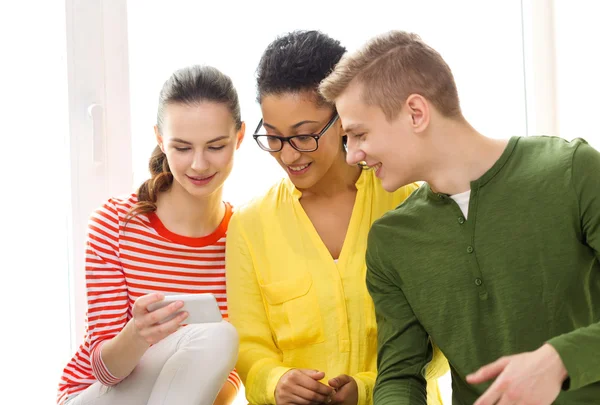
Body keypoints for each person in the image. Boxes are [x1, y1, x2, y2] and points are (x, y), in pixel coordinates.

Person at [319, 30, 600, 405]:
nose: (352, 155)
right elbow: (400, 375)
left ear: (416, 113)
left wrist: (561, 359)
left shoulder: (571, 172)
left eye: (359, 134)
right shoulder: (391, 240)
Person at [225, 30, 448, 405]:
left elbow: (442, 346)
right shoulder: (250, 227)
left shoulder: (411, 207)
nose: (289, 155)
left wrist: (368, 388)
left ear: (343, 117)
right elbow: (248, 348)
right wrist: (276, 382)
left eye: (305, 135)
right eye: (274, 138)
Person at [57, 65, 245, 405]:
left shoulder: (244, 236)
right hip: (99, 395)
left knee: (221, 339)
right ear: (160, 139)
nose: (199, 165)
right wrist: (137, 334)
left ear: (240, 137)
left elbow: (230, 368)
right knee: (218, 336)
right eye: (182, 148)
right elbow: (104, 370)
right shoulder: (114, 224)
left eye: (215, 146)